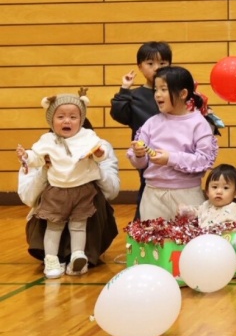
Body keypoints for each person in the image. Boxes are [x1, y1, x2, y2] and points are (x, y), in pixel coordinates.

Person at [16, 90, 114, 278]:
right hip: (56, 192)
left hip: (82, 192)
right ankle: (51, 259)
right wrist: (28, 158)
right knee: (54, 226)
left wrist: (97, 157)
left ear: (81, 121)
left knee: (79, 225)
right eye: (60, 117)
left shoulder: (90, 138)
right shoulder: (47, 142)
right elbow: (34, 161)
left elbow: (111, 186)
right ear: (51, 121)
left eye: (73, 117)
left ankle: (79, 255)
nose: (67, 121)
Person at [127, 66, 218, 221]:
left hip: (187, 194)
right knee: (153, 235)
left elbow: (204, 160)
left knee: (188, 235)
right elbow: (139, 163)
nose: (157, 94)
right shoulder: (151, 123)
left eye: (163, 89)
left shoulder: (198, 123)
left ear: (183, 94)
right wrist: (139, 154)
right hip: (153, 194)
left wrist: (170, 158)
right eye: (156, 89)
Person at [110, 41, 172, 220]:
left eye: (162, 63)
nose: (157, 68)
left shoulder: (176, 94)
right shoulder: (134, 96)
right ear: (140, 66)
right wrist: (124, 90)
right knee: (147, 189)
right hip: (146, 155)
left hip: (175, 151)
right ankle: (142, 227)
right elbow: (119, 114)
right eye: (150, 63)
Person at [180, 164, 236, 228]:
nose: (219, 191)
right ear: (207, 191)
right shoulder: (206, 205)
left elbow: (234, 228)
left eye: (225, 188)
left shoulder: (233, 209)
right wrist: (188, 212)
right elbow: (198, 214)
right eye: (214, 187)